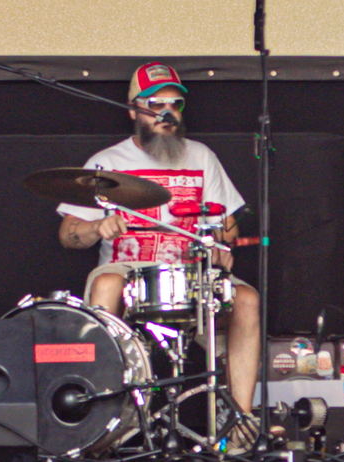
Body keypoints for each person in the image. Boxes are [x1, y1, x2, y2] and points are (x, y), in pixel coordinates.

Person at [55, 62, 261, 415]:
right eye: (155, 104)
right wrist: (95, 229)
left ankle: (240, 419)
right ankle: (104, 417)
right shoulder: (107, 161)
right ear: (134, 108)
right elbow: (67, 234)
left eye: (175, 104)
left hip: (191, 271)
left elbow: (227, 225)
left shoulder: (201, 156)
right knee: (106, 283)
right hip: (128, 269)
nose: (167, 113)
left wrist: (221, 246)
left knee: (246, 298)